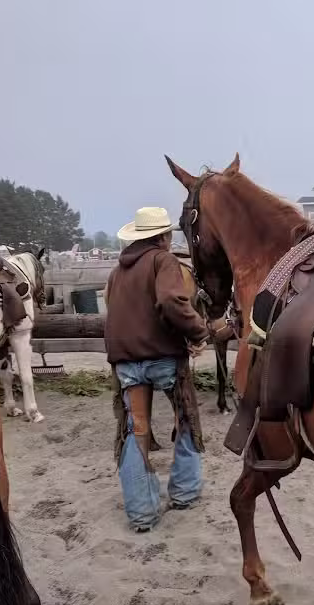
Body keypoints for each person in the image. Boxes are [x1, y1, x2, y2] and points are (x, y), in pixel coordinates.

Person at [104, 206, 209, 532]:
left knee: (135, 433)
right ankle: (185, 493)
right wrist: (198, 331)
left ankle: (142, 513)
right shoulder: (163, 261)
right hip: (163, 358)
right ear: (163, 237)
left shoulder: (116, 272)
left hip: (125, 362)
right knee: (186, 419)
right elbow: (170, 302)